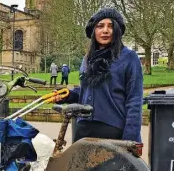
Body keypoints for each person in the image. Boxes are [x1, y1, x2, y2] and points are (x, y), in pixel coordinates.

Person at [55, 8, 143, 143]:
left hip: (112, 130)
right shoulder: (87, 59)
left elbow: (134, 101)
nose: (105, 30)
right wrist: (69, 95)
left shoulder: (129, 58)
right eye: (100, 26)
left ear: (117, 31)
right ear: (93, 31)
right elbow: (86, 90)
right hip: (83, 129)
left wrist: (131, 139)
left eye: (111, 26)